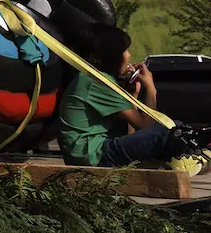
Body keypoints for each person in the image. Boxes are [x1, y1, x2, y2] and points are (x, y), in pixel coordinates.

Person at [58, 23, 183, 167]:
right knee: (172, 130)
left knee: (171, 132)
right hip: (93, 155)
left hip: (91, 153)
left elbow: (130, 131)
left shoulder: (92, 79)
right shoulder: (97, 82)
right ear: (112, 54)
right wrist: (150, 87)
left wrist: (133, 96)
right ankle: (184, 161)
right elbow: (146, 125)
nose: (128, 56)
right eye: (125, 51)